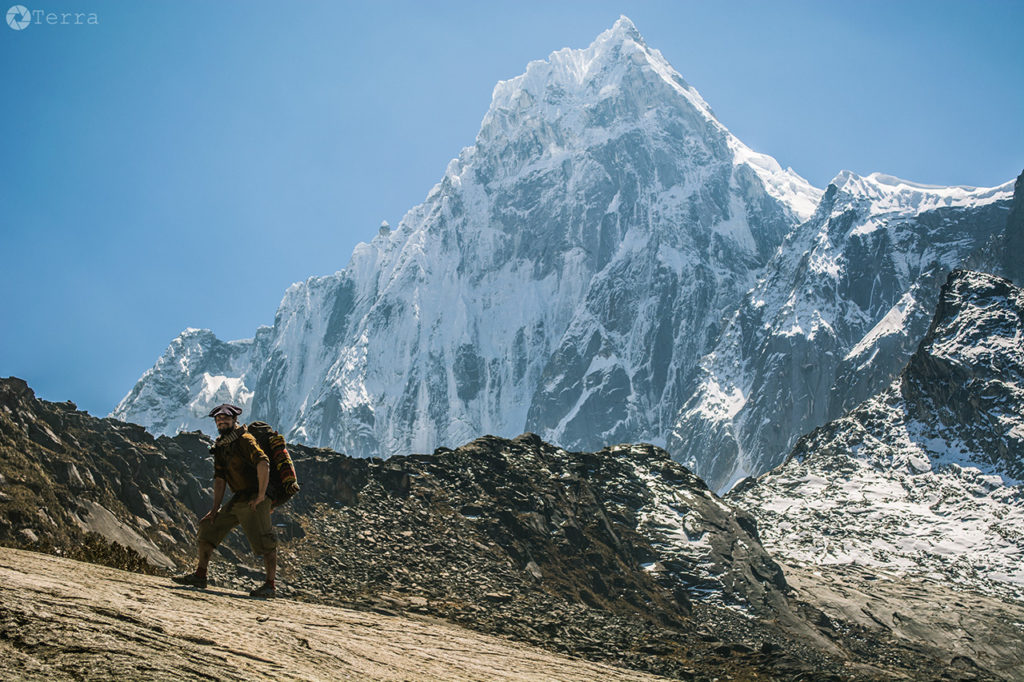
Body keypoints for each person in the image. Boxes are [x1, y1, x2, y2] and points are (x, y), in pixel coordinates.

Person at [172, 403, 278, 598]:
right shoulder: (221, 446)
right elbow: (220, 480)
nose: (221, 422)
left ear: (234, 420)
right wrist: (214, 510)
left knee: (265, 540)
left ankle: (270, 586)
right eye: (218, 419)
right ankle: (200, 575)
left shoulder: (245, 439)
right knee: (208, 527)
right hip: (239, 498)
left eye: (225, 419)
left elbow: (263, 463)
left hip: (256, 497)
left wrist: (262, 496)